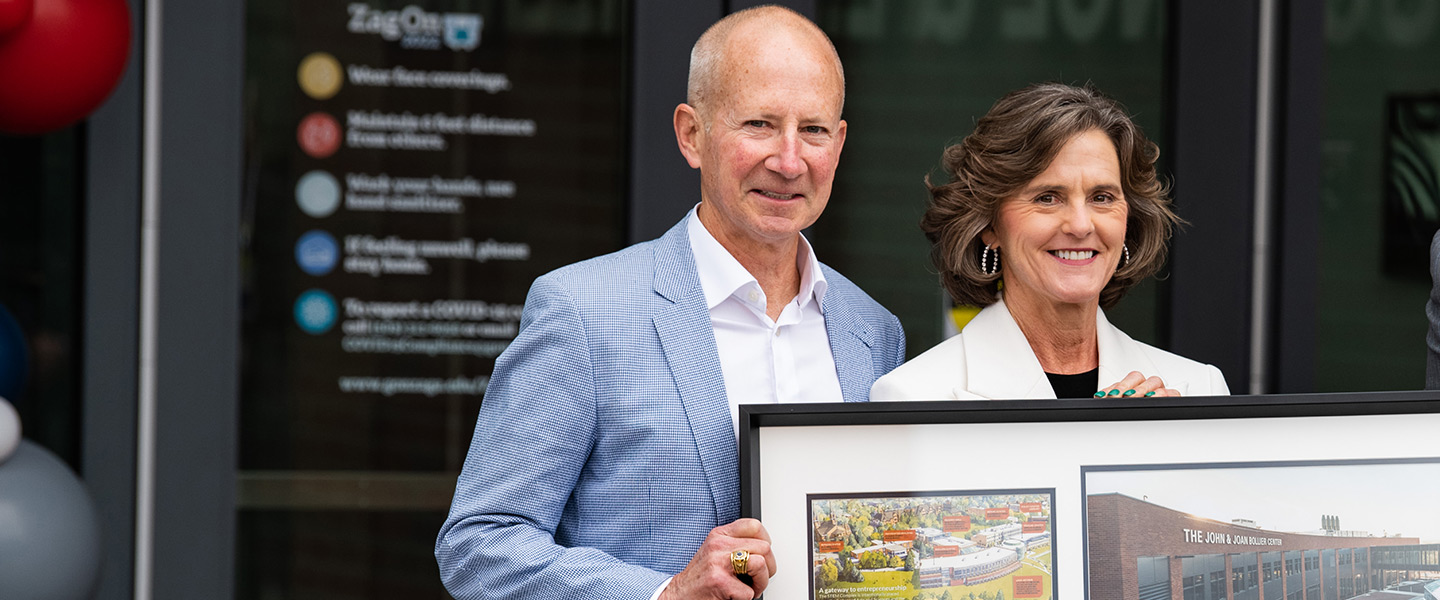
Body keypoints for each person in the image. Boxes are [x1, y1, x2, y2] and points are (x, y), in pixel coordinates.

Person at [436, 6, 906, 600]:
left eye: (812, 130)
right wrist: (664, 593)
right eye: (759, 124)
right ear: (691, 135)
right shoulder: (582, 312)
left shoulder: (873, 331)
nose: (789, 161)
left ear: (837, 145)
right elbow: (480, 544)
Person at [871, 83, 1227, 401]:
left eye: (1102, 197)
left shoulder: (1198, 388)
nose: (1080, 224)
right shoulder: (914, 395)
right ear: (989, 226)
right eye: (1047, 197)